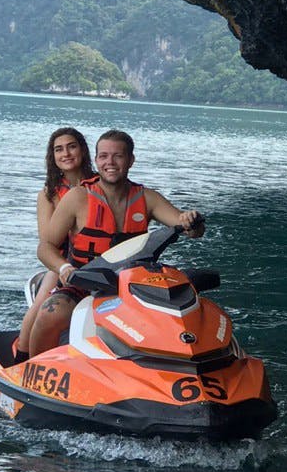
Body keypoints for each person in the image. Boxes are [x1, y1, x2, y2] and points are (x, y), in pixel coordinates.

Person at [28, 129, 204, 357]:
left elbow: (190, 229)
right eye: (103, 156)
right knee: (49, 315)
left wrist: (192, 222)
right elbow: (45, 247)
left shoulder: (148, 198)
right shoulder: (78, 197)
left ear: (131, 160)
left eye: (118, 156)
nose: (109, 162)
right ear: (96, 160)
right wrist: (64, 268)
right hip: (82, 281)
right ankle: (31, 368)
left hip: (131, 287)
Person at [15, 126, 94, 361]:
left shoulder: (100, 185)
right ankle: (21, 358)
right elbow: (46, 239)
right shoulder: (49, 193)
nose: (66, 153)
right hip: (62, 261)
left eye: (71, 146)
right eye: (59, 150)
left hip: (97, 259)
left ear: (82, 150)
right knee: (41, 305)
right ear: (53, 157)